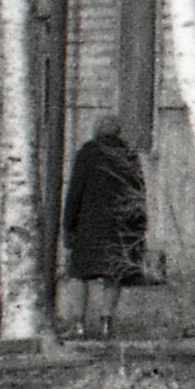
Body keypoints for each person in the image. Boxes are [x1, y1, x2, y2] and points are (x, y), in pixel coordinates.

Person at [61, 114, 147, 339]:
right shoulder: (128, 156)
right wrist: (138, 229)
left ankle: (79, 324)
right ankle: (106, 323)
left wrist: (68, 225)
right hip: (120, 225)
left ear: (96, 131)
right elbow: (138, 194)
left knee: (79, 273)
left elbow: (75, 193)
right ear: (118, 132)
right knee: (113, 274)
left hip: (89, 225)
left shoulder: (87, 153)